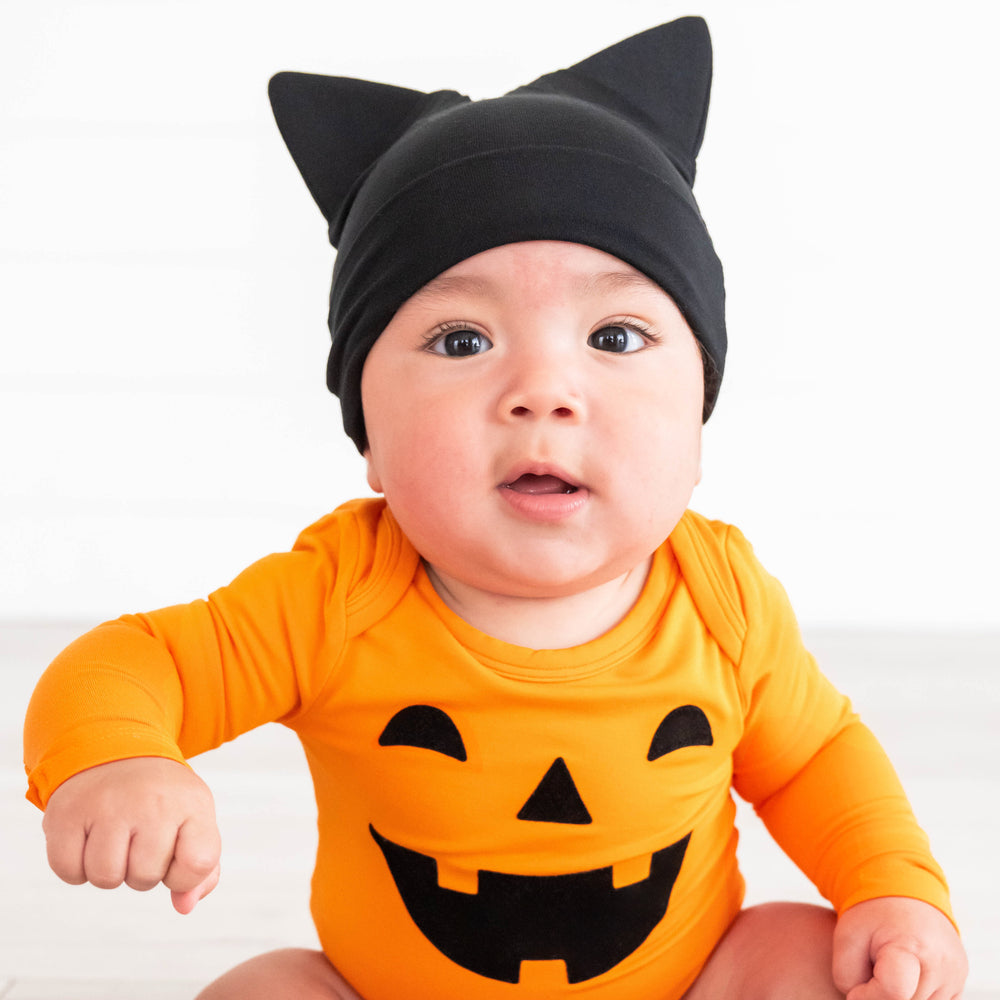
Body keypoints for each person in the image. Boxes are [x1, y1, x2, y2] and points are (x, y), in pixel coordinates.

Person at [23, 17, 968, 1000]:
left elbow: (813, 757)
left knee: (804, 954)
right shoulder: (336, 598)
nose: (544, 390)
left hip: (688, 984)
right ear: (369, 438)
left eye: (614, 333)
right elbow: (132, 661)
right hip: (384, 990)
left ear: (698, 416)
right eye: (463, 341)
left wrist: (891, 890)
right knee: (264, 989)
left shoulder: (717, 597)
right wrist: (116, 758)